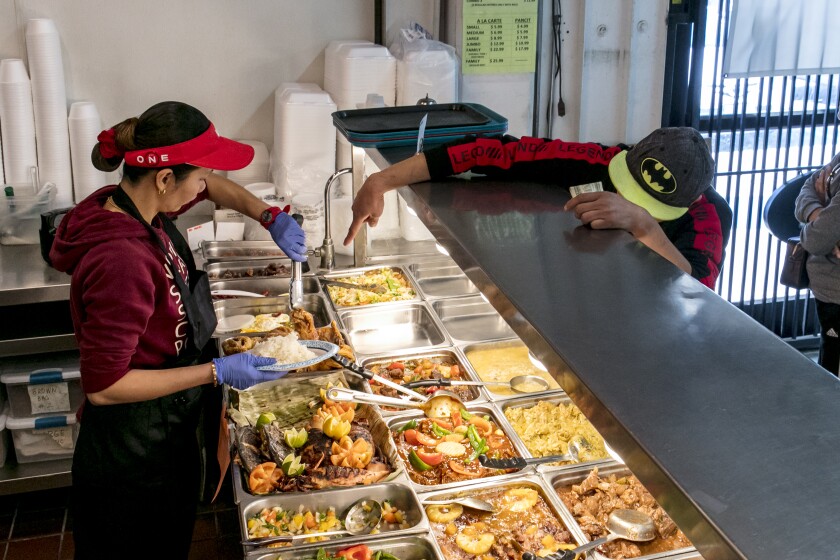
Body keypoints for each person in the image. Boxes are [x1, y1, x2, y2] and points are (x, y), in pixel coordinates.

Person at [49, 101, 307, 557]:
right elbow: (105, 386)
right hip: (133, 457)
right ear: (165, 178)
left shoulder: (137, 206)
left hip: (164, 434)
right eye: (198, 177)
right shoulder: (122, 260)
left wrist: (266, 215)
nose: (205, 187)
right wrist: (216, 373)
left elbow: (214, 187)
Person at [344, 127, 732, 289]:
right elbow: (494, 151)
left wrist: (644, 226)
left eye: (649, 203)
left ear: (692, 201)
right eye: (628, 190)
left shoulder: (708, 217)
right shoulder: (602, 159)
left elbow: (698, 292)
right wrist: (382, 181)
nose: (628, 201)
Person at [794, 153, 840, 376]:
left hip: (836, 292)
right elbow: (806, 189)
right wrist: (819, 214)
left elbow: (815, 240)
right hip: (826, 290)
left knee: (831, 375)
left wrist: (818, 229)